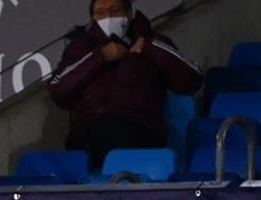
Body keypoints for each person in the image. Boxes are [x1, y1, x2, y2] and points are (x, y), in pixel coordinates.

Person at [48, 0, 202, 168]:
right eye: (100, 12)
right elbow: (58, 90)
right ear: (92, 19)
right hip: (88, 133)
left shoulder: (153, 42)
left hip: (139, 130)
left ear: (128, 14)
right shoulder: (80, 47)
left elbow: (192, 80)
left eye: (114, 10)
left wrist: (148, 47)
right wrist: (99, 57)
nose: (108, 16)